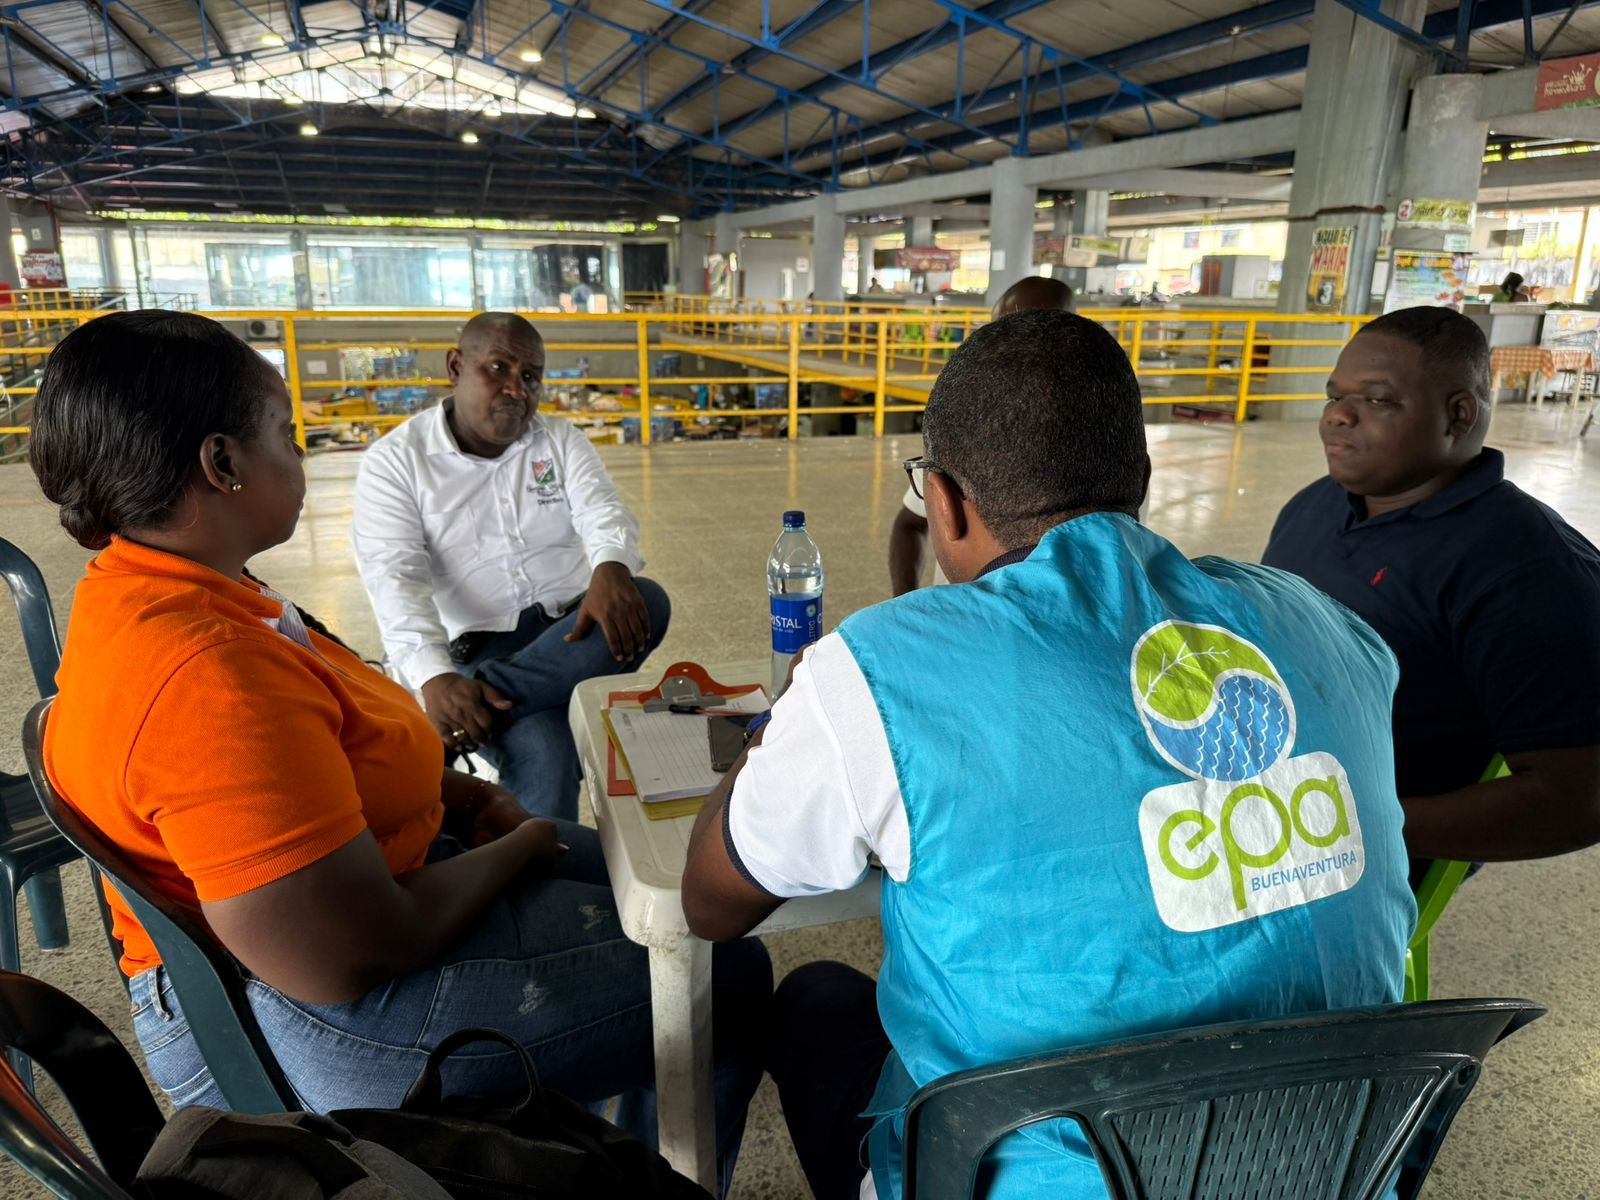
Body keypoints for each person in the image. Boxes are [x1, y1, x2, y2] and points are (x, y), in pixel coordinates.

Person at [683, 309, 1416, 1200]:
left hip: (1039, 1181)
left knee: (814, 1003)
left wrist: (788, 721)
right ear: (1138, 475)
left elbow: (711, 902)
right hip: (1327, 1169)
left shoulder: (883, 668)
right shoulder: (1322, 622)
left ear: (945, 502)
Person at [31, 311, 769, 1195]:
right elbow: (349, 952)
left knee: (671, 880)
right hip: (321, 1009)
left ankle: (609, 1119)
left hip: (361, 894)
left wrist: (458, 801)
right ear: (221, 465)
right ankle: (645, 1172)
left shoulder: (181, 590)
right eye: (285, 435)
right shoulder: (203, 675)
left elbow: (334, 749)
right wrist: (523, 844)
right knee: (726, 965)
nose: (301, 457)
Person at [1263, 307, 1600, 874]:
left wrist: (1352, 827)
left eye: (1376, 400)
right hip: (1259, 786)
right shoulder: (1317, 506)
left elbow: (1579, 799)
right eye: (1334, 397)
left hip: (1358, 855)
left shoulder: (1524, 569)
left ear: (1458, 415)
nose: (1338, 418)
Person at [353, 312, 670, 820]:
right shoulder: (396, 463)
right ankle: (546, 881)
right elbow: (395, 576)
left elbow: (602, 510)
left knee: (647, 598)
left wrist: (610, 565)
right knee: (546, 749)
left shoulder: (559, 440)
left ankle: (469, 712)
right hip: (478, 644)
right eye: (497, 368)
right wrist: (435, 680)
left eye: (530, 377)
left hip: (573, 633)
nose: (515, 390)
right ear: (456, 366)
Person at [888, 276, 1075, 595]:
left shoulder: (1101, 433)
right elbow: (909, 524)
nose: (1011, 348)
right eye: (1000, 333)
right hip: (955, 632)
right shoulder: (965, 423)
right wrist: (907, 609)